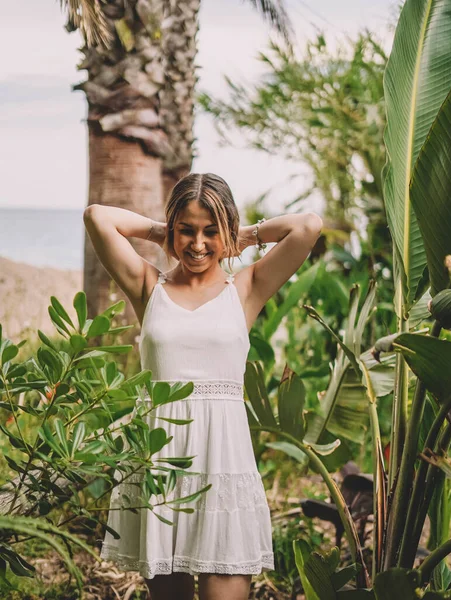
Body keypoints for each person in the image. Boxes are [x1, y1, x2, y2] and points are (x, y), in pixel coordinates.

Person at [83, 172, 322, 600]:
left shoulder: (246, 289)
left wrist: (241, 236)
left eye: (211, 231)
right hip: (160, 461)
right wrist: (161, 233)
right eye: (186, 230)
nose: (198, 244)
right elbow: (98, 217)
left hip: (223, 462)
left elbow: (307, 226)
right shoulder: (148, 285)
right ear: (173, 229)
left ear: (225, 230)